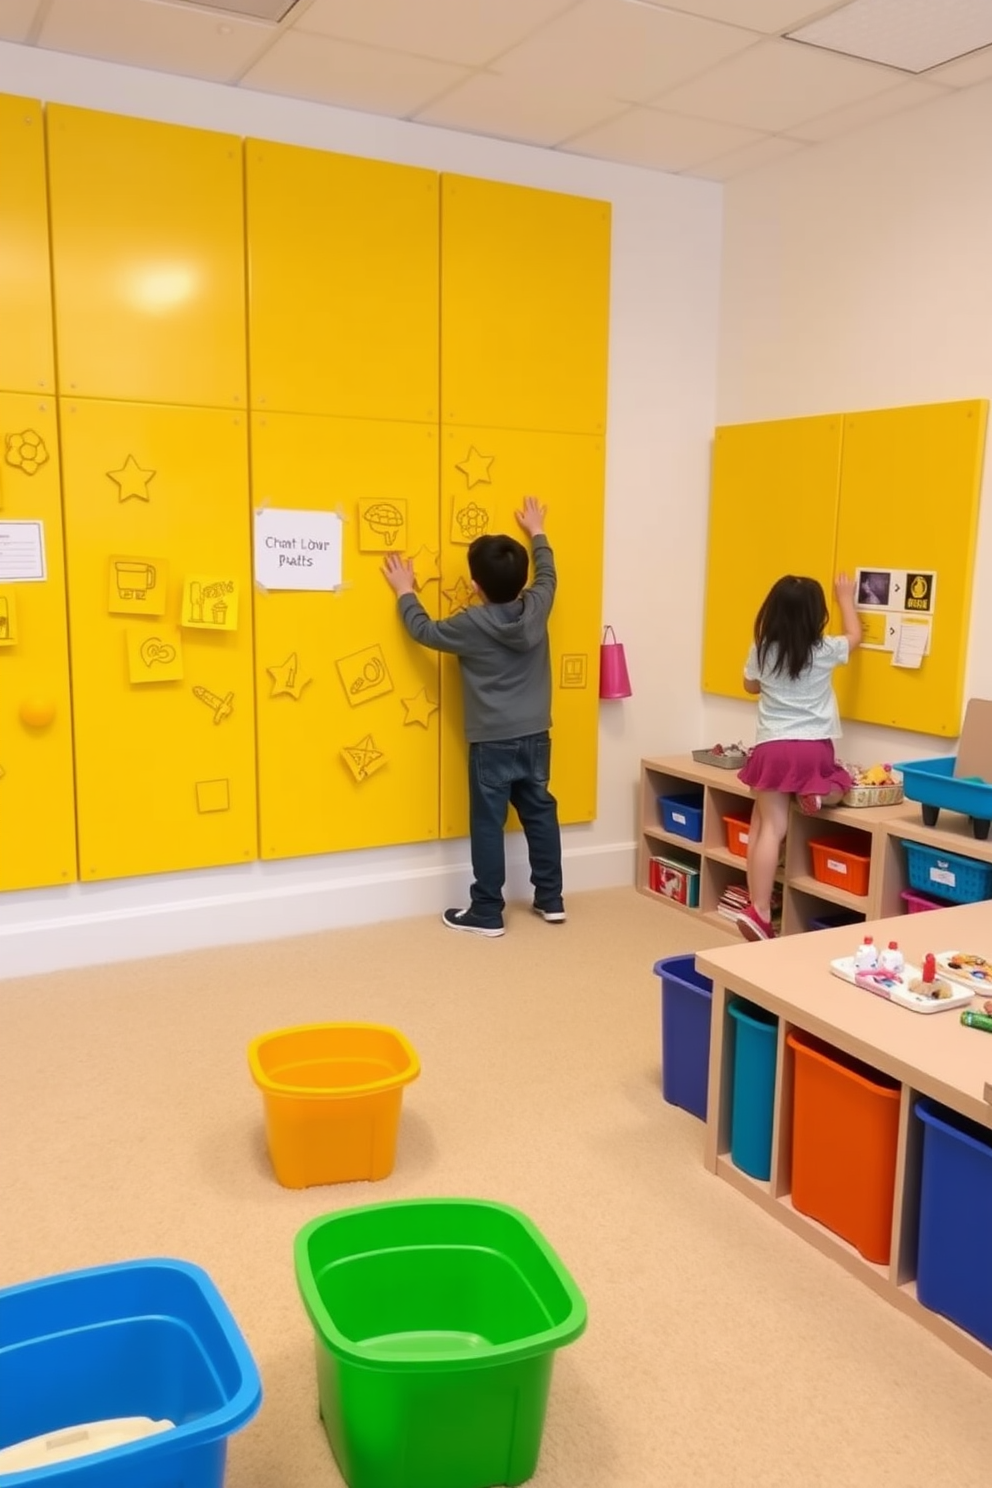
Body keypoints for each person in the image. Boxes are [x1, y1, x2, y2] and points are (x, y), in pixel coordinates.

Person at [382, 496, 563, 938]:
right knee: (540, 811)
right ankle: (551, 898)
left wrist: (406, 590)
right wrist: (537, 531)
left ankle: (486, 910)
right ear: (521, 581)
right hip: (536, 734)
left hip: (492, 742)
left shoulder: (469, 624)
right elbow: (549, 574)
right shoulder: (538, 605)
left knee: (488, 822)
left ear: (477, 585)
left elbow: (424, 630)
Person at [735, 572, 861, 943]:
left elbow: (750, 686)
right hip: (813, 746)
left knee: (764, 828)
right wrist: (845, 599)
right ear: (815, 614)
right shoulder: (823, 649)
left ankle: (758, 908)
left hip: (772, 748)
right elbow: (856, 637)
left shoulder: (762, 648)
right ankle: (818, 796)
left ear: (771, 611)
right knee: (841, 779)